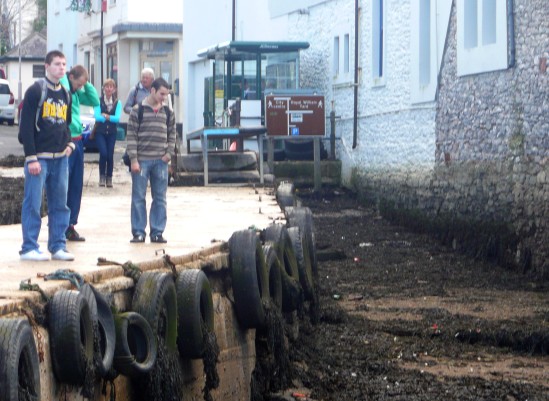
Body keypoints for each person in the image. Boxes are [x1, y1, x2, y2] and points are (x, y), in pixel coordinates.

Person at [18, 50, 75, 261]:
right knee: (33, 202)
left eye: (64, 64)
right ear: (47, 66)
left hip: (60, 158)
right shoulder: (35, 91)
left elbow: (66, 123)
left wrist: (70, 144)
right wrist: (31, 157)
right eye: (57, 64)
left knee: (60, 203)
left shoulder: (66, 94)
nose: (62, 68)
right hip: (39, 158)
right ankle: (29, 247)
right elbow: (25, 127)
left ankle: (58, 245)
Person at [126, 77, 175, 244]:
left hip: (161, 161)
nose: (164, 97)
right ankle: (138, 232)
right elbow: (131, 136)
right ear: (152, 90)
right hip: (141, 161)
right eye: (162, 94)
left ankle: (157, 232)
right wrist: (134, 159)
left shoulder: (168, 112)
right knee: (138, 197)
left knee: (160, 198)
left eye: (166, 95)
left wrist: (169, 154)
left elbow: (172, 134)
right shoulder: (137, 110)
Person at [60, 65, 100, 242]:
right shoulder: (64, 88)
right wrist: (71, 82)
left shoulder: (76, 92)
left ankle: (71, 225)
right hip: (65, 141)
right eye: (78, 83)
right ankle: (59, 225)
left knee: (76, 186)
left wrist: (86, 82)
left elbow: (94, 100)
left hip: (78, 142)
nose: (79, 87)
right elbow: (64, 82)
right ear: (71, 77)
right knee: (63, 185)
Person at [93, 79, 122, 187]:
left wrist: (106, 116)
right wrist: (108, 118)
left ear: (114, 89)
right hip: (100, 131)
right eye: (107, 86)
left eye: (111, 87)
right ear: (103, 88)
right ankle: (101, 176)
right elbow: (96, 117)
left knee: (110, 155)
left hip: (112, 132)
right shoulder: (98, 101)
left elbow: (117, 118)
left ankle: (109, 177)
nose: (109, 89)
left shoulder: (117, 102)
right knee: (103, 154)